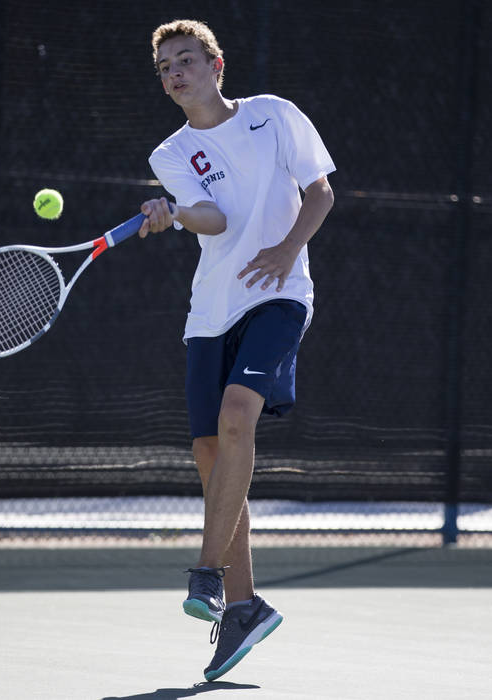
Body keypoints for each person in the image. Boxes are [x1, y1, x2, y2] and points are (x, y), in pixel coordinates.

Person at [136, 19, 336, 681]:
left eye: (186, 60)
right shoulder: (170, 154)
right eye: (165, 67)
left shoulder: (275, 116)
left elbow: (321, 191)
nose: (176, 73)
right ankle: (245, 606)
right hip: (210, 311)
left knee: (238, 418)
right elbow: (214, 219)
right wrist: (173, 215)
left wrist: (286, 250)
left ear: (216, 65)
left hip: (280, 295)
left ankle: (206, 575)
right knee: (209, 454)